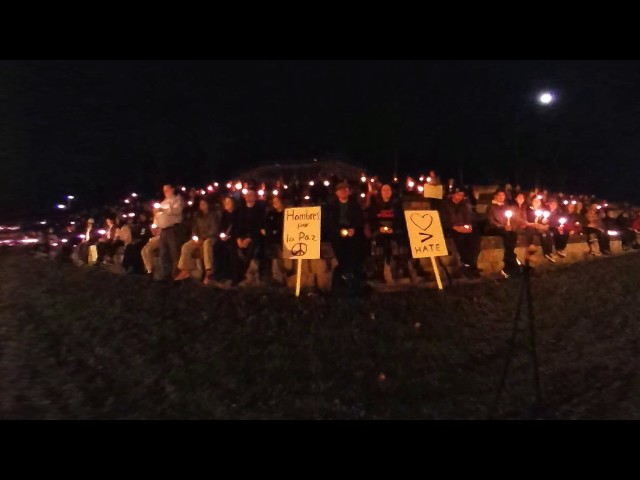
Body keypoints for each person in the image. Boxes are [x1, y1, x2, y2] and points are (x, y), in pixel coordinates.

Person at [323, 180, 367, 293]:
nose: (343, 192)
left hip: (352, 230)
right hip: (338, 232)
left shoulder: (354, 205)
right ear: (337, 193)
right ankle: (343, 275)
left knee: (355, 248)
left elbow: (359, 219)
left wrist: (354, 229)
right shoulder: (332, 206)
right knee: (340, 250)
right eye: (340, 190)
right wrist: (339, 231)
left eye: (345, 190)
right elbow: (330, 222)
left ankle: (354, 275)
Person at [174, 198, 221, 284]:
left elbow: (214, 230)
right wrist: (195, 237)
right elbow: (194, 228)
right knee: (186, 246)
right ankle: (185, 269)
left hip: (211, 238)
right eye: (201, 204)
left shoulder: (213, 215)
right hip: (200, 238)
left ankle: (208, 271)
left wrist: (203, 238)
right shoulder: (198, 216)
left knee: (207, 244)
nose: (202, 206)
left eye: (204, 204)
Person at [368, 183, 408, 282]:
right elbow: (372, 220)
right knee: (380, 243)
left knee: (402, 242)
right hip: (380, 230)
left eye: (388, 190)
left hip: (394, 230)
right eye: (384, 190)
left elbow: (400, 219)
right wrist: (379, 228)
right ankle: (379, 271)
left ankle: (402, 269)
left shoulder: (396, 205)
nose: (386, 192)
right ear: (380, 192)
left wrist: (393, 228)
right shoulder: (375, 205)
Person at [441, 187, 481, 278]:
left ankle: (471, 263)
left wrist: (469, 225)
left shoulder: (464, 205)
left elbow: (468, 217)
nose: (460, 197)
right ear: (453, 194)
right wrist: (455, 227)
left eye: (462, 195)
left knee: (475, 237)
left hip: (463, 227)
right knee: (460, 238)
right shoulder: (445, 204)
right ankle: (468, 264)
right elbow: (444, 219)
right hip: (451, 228)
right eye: (458, 194)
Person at [485, 189, 520, 278]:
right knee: (506, 234)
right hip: (494, 228)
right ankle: (511, 258)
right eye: (499, 195)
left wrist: (510, 226)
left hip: (504, 228)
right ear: (495, 196)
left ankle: (510, 257)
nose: (501, 197)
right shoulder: (491, 207)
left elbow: (510, 218)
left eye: (503, 195)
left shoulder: (506, 207)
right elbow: (491, 221)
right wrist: (502, 226)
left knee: (513, 234)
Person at [155, 184, 184, 280]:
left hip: (173, 229)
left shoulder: (177, 199)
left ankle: (175, 274)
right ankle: (165, 274)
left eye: (167, 189)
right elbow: (158, 215)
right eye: (164, 190)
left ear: (172, 189)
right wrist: (155, 225)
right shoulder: (163, 202)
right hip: (163, 230)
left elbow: (176, 211)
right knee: (164, 253)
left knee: (174, 251)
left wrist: (164, 210)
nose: (165, 191)